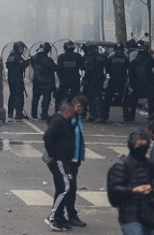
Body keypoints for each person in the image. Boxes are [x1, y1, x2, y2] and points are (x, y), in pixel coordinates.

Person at [107, 129, 154, 235]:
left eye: (145, 145)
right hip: (130, 215)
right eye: (139, 145)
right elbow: (114, 192)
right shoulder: (121, 166)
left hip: (148, 214)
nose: (142, 149)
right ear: (131, 145)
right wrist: (133, 190)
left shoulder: (148, 164)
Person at [43, 101, 76, 231]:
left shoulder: (61, 121)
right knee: (66, 187)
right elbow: (47, 136)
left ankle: (57, 217)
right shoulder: (58, 122)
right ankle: (53, 216)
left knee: (63, 187)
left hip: (64, 159)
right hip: (60, 160)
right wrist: (51, 154)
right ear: (67, 112)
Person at [63, 96, 88, 228]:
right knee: (69, 188)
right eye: (82, 108)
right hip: (67, 161)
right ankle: (68, 215)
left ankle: (67, 215)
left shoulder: (76, 119)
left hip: (74, 159)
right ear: (77, 106)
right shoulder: (69, 119)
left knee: (70, 188)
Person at [126, 45, 154, 121]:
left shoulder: (135, 60)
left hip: (137, 82)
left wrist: (131, 84)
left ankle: (131, 115)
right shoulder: (148, 58)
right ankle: (151, 115)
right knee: (151, 99)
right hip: (148, 81)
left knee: (134, 99)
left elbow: (131, 73)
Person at [103, 44, 130, 122]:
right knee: (125, 99)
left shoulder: (111, 58)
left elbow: (106, 68)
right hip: (122, 80)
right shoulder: (125, 58)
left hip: (113, 80)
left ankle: (105, 115)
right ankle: (126, 116)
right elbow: (129, 69)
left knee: (107, 98)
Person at [30, 43, 57, 120]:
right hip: (47, 82)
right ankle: (44, 114)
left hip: (36, 81)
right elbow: (54, 68)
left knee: (35, 99)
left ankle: (33, 114)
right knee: (46, 99)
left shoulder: (34, 58)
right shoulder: (48, 60)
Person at [5, 41, 30, 120]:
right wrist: (28, 60)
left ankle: (10, 112)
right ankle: (19, 113)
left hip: (11, 79)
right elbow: (23, 65)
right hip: (17, 79)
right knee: (19, 96)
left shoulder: (10, 56)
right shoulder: (17, 56)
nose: (22, 50)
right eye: (21, 48)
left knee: (12, 95)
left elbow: (8, 65)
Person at [82, 43, 106, 123]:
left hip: (92, 80)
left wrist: (85, 79)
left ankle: (97, 116)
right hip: (99, 79)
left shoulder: (88, 57)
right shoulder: (100, 56)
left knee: (93, 98)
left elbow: (89, 69)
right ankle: (95, 115)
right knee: (95, 98)